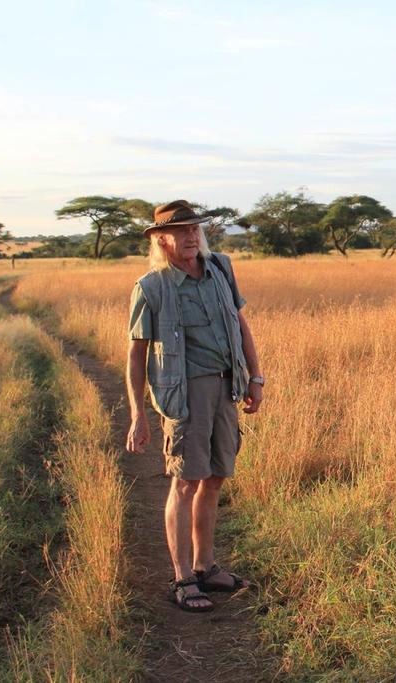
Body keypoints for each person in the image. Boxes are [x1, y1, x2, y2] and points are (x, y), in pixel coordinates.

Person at [125, 200, 264, 612]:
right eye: (180, 231)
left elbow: (241, 325)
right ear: (160, 238)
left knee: (216, 476)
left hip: (228, 388)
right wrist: (137, 413)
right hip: (185, 395)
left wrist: (255, 378)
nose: (190, 237)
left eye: (195, 229)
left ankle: (206, 567)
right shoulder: (150, 287)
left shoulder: (220, 267)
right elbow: (136, 355)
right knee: (185, 482)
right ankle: (183, 578)